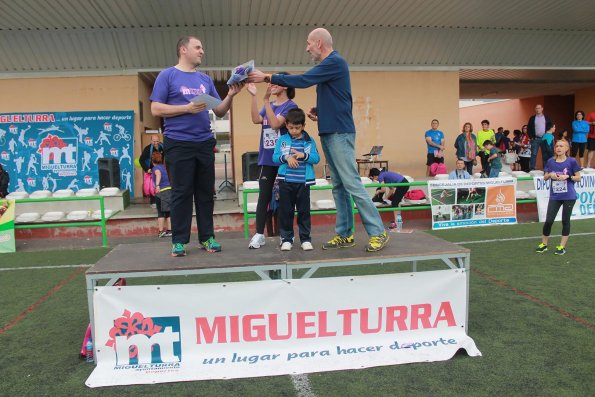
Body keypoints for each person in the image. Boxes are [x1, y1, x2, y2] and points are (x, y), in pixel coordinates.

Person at [248, 27, 389, 252]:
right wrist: (320, 112)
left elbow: (304, 79)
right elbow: (337, 97)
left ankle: (378, 232)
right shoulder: (330, 66)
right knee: (339, 186)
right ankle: (344, 234)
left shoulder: (335, 62)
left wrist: (268, 76)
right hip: (331, 131)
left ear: (319, 43)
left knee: (351, 183)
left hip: (339, 133)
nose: (307, 48)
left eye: (309, 43)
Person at [150, 35, 244, 257]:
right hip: (178, 143)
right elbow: (155, 109)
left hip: (204, 143)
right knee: (181, 193)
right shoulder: (167, 75)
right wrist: (186, 108)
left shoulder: (205, 79)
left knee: (205, 193)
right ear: (183, 49)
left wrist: (230, 95)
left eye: (202, 47)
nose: (202, 51)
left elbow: (220, 110)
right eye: (197, 47)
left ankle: (207, 238)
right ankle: (179, 241)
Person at [246, 74, 297, 249]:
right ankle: (259, 234)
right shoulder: (269, 104)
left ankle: (285, 235)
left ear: (285, 85)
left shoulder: (290, 106)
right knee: (263, 197)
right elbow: (255, 120)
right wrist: (254, 96)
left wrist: (266, 101)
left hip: (284, 159)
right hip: (267, 158)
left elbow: (275, 124)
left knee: (285, 198)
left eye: (276, 82)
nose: (272, 85)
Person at [272, 108, 320, 251]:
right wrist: (286, 157)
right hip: (286, 182)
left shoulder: (309, 141)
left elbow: (316, 158)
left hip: (303, 183)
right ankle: (287, 239)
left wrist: (303, 155)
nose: (294, 130)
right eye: (291, 127)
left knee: (304, 211)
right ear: (286, 125)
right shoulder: (282, 140)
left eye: (297, 128)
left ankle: (305, 239)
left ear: (303, 126)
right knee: (286, 211)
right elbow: (275, 158)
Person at [535, 140, 581, 255]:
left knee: (565, 220)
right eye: (556, 146)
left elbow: (578, 177)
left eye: (561, 146)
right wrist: (550, 174)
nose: (558, 148)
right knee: (549, 220)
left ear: (566, 149)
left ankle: (561, 246)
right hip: (555, 196)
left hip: (569, 196)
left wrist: (568, 176)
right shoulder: (550, 161)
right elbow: (545, 177)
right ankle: (544, 244)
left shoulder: (572, 161)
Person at [139, 134, 164, 208]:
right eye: (154, 141)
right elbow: (141, 160)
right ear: (151, 141)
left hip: (161, 169)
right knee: (152, 187)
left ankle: (162, 201)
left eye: (157, 141)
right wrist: (147, 169)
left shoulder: (162, 147)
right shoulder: (147, 149)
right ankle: (153, 201)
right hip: (151, 170)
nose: (156, 143)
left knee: (161, 185)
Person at [151, 152, 172, 238]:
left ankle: (161, 231)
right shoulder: (165, 167)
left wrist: (157, 185)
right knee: (169, 212)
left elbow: (158, 173)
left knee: (160, 212)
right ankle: (170, 230)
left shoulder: (155, 168)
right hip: (169, 190)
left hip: (162, 191)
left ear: (153, 160)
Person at [527, 104, 552, 170]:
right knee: (534, 154)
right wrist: (531, 137)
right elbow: (528, 128)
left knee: (545, 154)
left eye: (539, 108)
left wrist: (548, 135)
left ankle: (545, 169)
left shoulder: (546, 117)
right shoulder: (532, 118)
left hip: (545, 138)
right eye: (536, 108)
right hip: (535, 138)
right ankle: (532, 169)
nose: (538, 110)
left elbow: (550, 127)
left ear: (542, 109)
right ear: (535, 109)